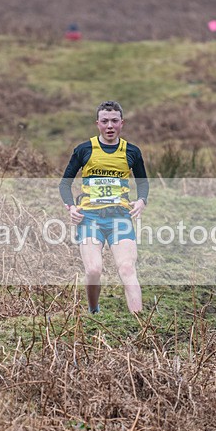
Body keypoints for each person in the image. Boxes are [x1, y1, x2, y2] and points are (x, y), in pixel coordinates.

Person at [59, 101, 149, 314]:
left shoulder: (132, 151)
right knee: (93, 270)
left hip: (120, 217)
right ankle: (94, 311)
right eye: (105, 121)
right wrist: (71, 207)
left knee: (127, 268)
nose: (110, 126)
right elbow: (64, 184)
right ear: (97, 123)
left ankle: (140, 322)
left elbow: (143, 183)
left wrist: (141, 201)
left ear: (121, 123)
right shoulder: (84, 150)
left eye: (114, 121)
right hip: (90, 218)